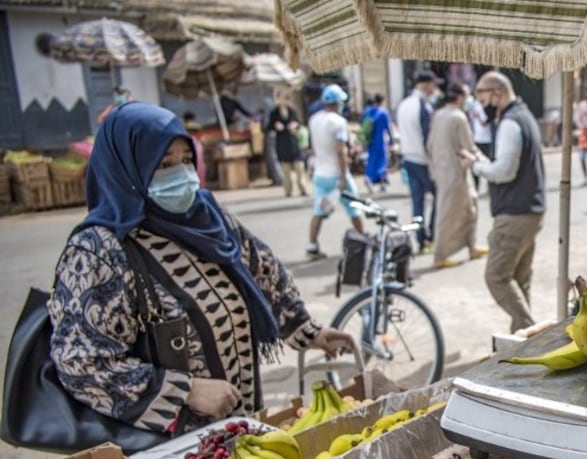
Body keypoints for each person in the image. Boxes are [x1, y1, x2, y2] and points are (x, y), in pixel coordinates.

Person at [47, 103, 354, 437]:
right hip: (169, 448)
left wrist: (308, 331)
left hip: (241, 426)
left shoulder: (207, 216)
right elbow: (81, 362)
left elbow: (262, 271)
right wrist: (185, 391)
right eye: (163, 165)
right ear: (126, 168)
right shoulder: (99, 250)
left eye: (186, 160)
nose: (181, 175)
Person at [461, 71, 546, 334]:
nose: (480, 103)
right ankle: (522, 337)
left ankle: (530, 331)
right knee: (520, 280)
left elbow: (505, 171)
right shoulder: (524, 115)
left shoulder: (510, 122)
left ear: (496, 92)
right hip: (530, 210)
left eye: (481, 96)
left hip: (515, 214)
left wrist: (476, 166)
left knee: (496, 276)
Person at [427, 83, 488, 269]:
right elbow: (469, 147)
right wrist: (487, 163)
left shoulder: (439, 114)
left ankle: (471, 246)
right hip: (456, 172)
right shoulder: (458, 117)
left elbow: (429, 145)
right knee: (449, 213)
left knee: (470, 207)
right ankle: (440, 255)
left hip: (443, 170)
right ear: (460, 97)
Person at [307, 84, 365, 260]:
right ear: (338, 102)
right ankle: (362, 241)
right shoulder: (338, 122)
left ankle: (312, 246)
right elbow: (341, 151)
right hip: (337, 173)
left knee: (319, 210)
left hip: (320, 173)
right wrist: (343, 176)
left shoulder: (314, 119)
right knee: (354, 208)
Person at [397, 71, 439, 250]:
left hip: (408, 158)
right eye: (433, 84)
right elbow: (427, 136)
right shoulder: (423, 106)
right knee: (440, 196)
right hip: (423, 160)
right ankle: (433, 235)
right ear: (426, 84)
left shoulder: (403, 104)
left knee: (417, 202)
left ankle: (421, 239)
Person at [266, 93, 308, 197]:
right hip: (282, 143)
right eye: (281, 99)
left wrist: (295, 125)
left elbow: (299, 123)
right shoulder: (274, 113)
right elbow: (268, 127)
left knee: (299, 167)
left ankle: (303, 188)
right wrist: (276, 126)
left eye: (285, 99)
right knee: (286, 170)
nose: (283, 101)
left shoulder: (292, 111)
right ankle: (288, 190)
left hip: (294, 142)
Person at [361, 94, 393, 193]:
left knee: (371, 160)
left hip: (370, 141)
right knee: (382, 162)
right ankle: (382, 184)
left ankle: (368, 177)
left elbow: (362, 124)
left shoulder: (367, 111)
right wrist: (391, 139)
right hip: (380, 141)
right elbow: (388, 127)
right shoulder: (383, 112)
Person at [467, 96, 495, 193]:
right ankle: (476, 187)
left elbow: (485, 122)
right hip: (476, 138)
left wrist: (478, 117)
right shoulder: (474, 104)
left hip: (487, 139)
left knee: (489, 163)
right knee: (475, 162)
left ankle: (490, 187)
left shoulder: (488, 106)